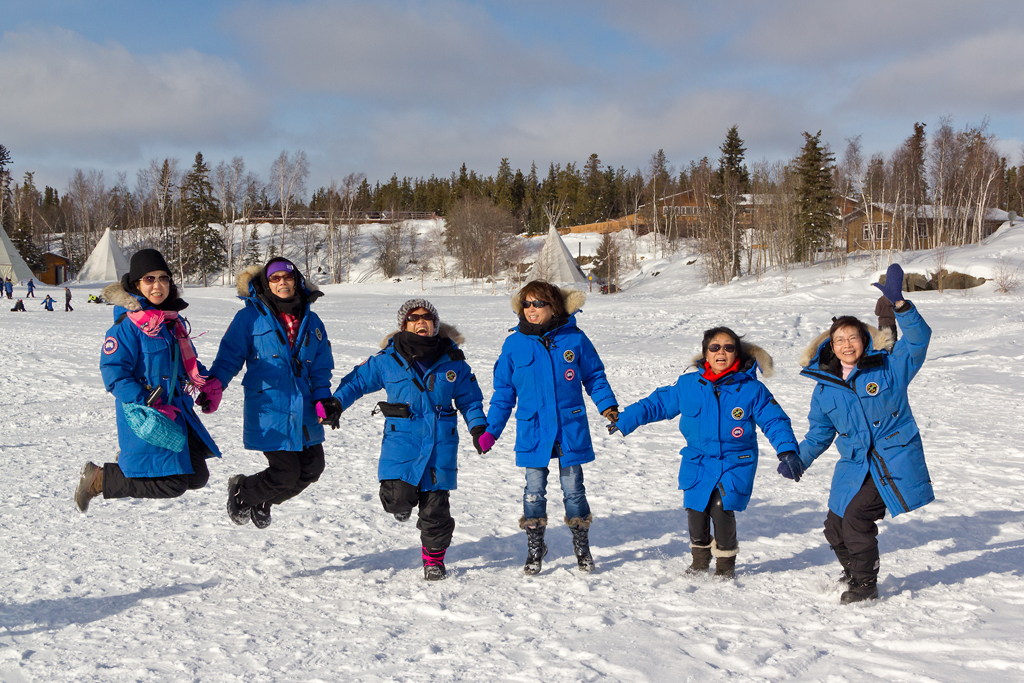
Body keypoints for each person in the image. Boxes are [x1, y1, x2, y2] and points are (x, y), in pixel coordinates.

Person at [779, 263, 933, 604]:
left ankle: (866, 585)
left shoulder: (889, 367)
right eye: (839, 340)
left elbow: (919, 340)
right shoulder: (825, 389)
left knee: (856, 517)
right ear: (830, 348)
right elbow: (819, 435)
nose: (847, 344)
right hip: (854, 465)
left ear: (864, 339)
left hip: (892, 460)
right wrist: (797, 460)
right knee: (834, 527)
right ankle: (853, 571)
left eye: (853, 337)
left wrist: (902, 307)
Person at [610, 327, 798, 579]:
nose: (722, 352)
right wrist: (625, 420)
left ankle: (725, 565)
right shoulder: (689, 385)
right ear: (705, 353)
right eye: (715, 347)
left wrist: (786, 450)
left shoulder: (752, 389)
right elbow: (658, 403)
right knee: (697, 511)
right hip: (697, 460)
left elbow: (775, 420)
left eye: (729, 347)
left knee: (721, 507)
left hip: (735, 460)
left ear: (737, 354)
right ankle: (699, 561)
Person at [326, 299, 486, 581]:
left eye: (427, 317)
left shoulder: (453, 361)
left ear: (435, 325)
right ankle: (401, 507)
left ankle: (434, 560)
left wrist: (478, 428)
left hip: (440, 444)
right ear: (404, 324)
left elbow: (470, 400)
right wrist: (336, 404)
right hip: (402, 443)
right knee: (396, 500)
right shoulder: (387, 360)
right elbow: (357, 382)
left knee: (436, 509)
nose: (421, 322)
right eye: (414, 318)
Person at [481, 280, 618, 575]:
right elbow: (504, 392)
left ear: (553, 306)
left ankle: (581, 546)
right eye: (526, 303)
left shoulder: (575, 338)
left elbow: (594, 375)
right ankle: (535, 547)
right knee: (533, 491)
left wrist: (607, 405)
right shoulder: (514, 344)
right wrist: (490, 430)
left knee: (574, 490)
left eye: (538, 303)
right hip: (533, 428)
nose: (531, 309)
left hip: (569, 427)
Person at [75, 249, 221, 512]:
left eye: (163, 278)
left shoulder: (170, 322)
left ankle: (128, 466)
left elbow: (185, 362)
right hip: (148, 414)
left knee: (197, 476)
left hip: (177, 412)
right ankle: (100, 478)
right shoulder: (127, 327)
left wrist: (206, 382)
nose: (158, 285)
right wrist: (147, 401)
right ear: (136, 285)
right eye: (149, 279)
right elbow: (114, 372)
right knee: (174, 484)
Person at [208, 258, 334, 530]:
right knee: (286, 473)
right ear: (267, 283)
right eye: (275, 278)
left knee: (313, 468)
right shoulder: (249, 317)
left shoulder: (312, 320)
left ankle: (263, 499)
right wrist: (215, 385)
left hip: (304, 407)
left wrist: (323, 397)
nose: (282, 283)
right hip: (269, 406)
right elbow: (230, 356)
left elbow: (321, 366)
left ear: (297, 280)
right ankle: (243, 492)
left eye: (287, 277)